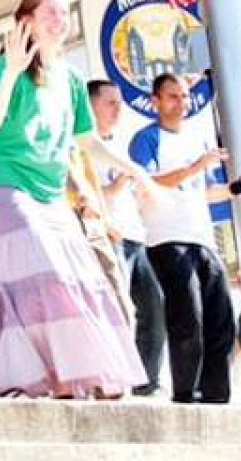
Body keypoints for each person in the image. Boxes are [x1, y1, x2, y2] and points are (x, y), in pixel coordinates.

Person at [0, 0, 146, 398]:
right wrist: (12, 71)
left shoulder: (69, 77)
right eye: (51, 12)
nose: (61, 19)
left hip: (52, 196)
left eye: (65, 12)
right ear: (26, 21)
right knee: (45, 273)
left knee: (78, 277)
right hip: (7, 187)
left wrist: (132, 167)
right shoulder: (9, 67)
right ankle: (36, 375)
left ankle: (74, 377)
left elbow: (85, 140)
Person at [129, 74, 236, 404]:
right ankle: (185, 393)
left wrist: (239, 187)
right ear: (156, 101)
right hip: (167, 239)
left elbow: (206, 192)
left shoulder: (196, 140)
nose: (181, 104)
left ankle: (216, 394)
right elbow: (147, 181)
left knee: (222, 316)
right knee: (187, 315)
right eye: (173, 97)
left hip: (202, 238)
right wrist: (194, 167)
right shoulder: (146, 138)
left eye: (185, 97)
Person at [87, 79, 164, 396]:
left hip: (136, 237)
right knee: (119, 310)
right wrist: (123, 178)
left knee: (154, 307)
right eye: (110, 103)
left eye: (120, 102)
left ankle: (147, 380)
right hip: (106, 239)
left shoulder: (121, 144)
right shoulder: (84, 149)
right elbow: (91, 196)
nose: (118, 109)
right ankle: (114, 378)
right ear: (91, 106)